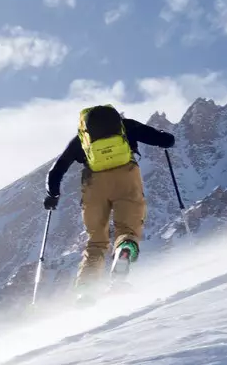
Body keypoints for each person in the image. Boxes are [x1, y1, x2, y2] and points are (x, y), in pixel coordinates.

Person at [44, 103, 178, 286]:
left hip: (93, 185)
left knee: (96, 241)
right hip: (126, 177)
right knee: (128, 229)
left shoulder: (82, 140)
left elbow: (56, 170)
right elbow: (164, 140)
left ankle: (86, 289)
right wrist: (166, 137)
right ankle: (123, 253)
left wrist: (53, 195)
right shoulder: (127, 126)